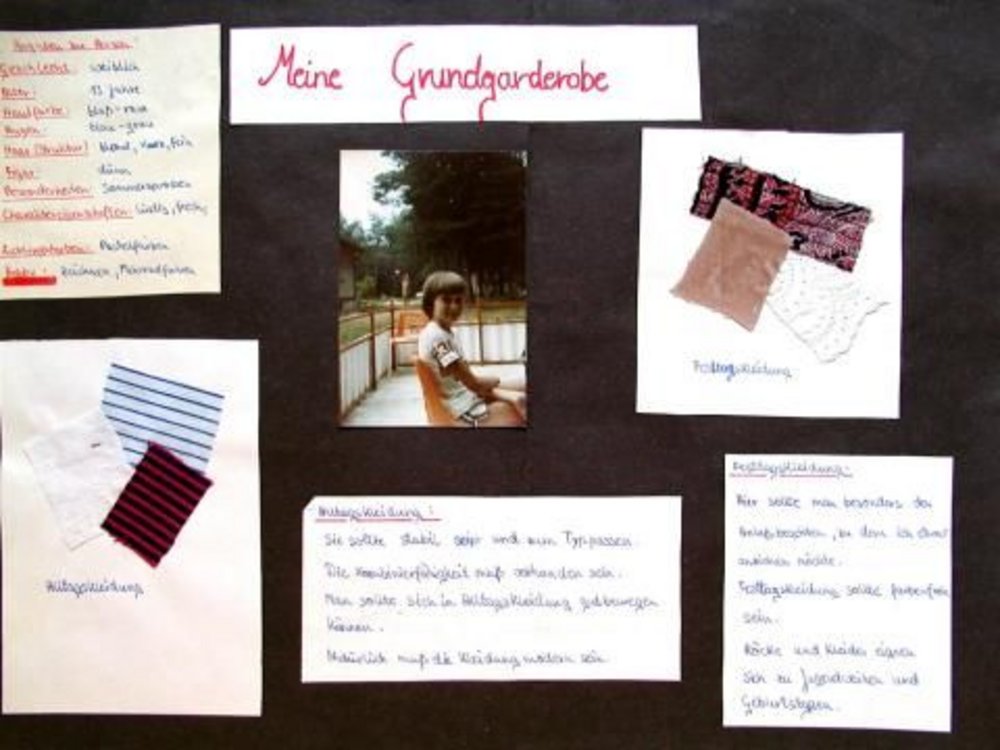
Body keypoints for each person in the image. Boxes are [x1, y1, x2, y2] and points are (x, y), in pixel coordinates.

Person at [417, 271, 526, 427]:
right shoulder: (438, 340)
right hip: (464, 411)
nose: (454, 306)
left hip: (464, 398)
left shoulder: (440, 332)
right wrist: (503, 388)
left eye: (458, 300)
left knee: (524, 384)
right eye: (446, 300)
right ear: (430, 302)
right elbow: (474, 384)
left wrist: (505, 392)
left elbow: (468, 382)